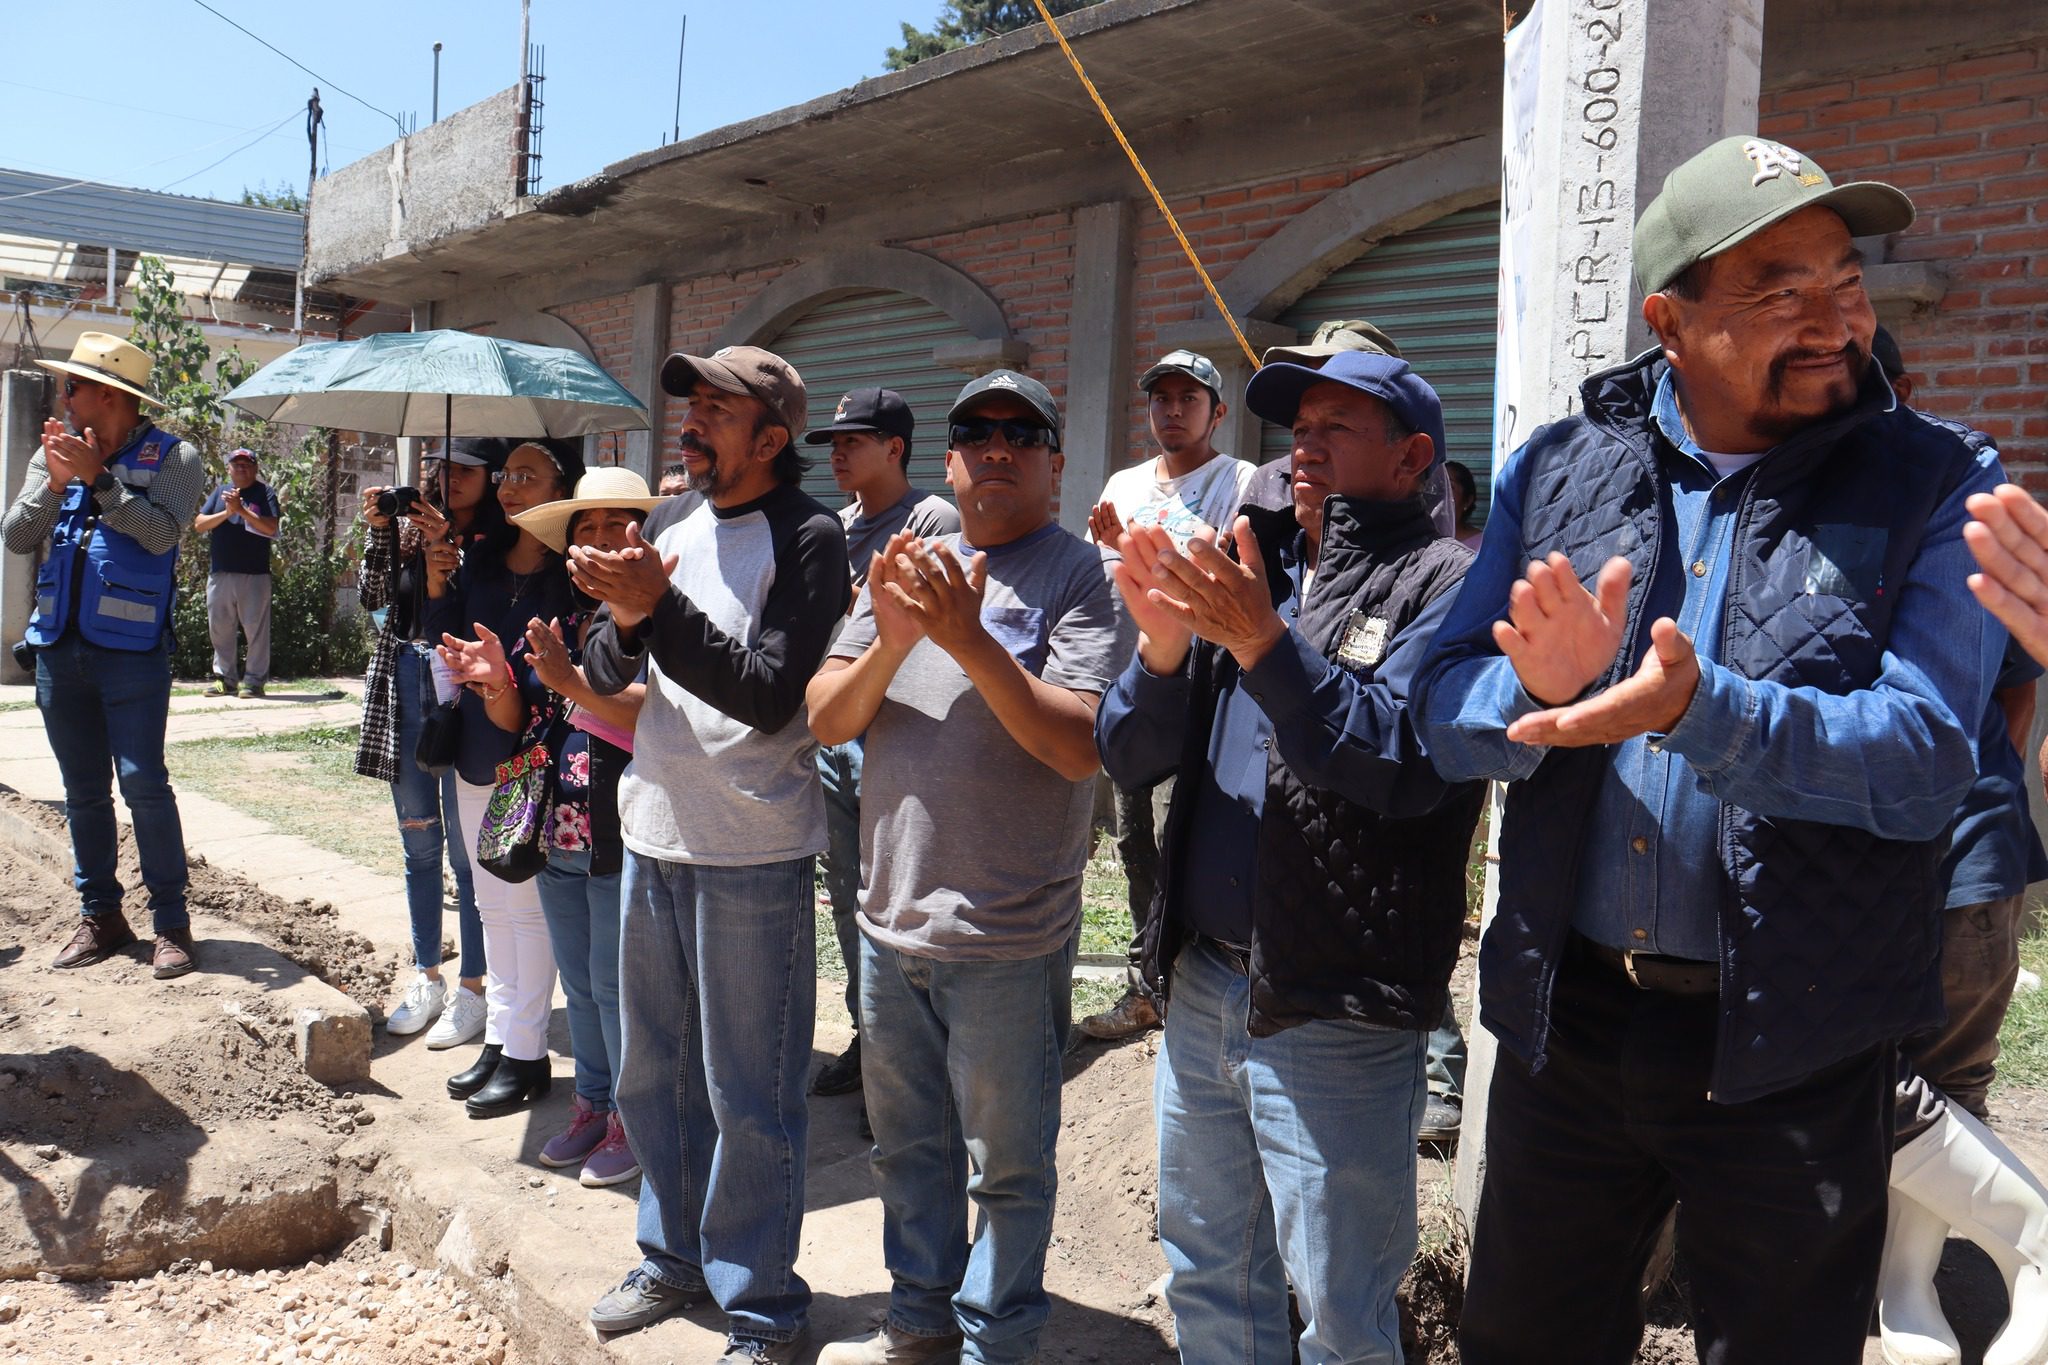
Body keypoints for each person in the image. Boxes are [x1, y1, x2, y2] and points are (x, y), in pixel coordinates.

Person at [1416, 136, 2001, 1364]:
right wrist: (1531, 689)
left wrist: (1694, 712)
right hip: (1564, 1027)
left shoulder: (1933, 480)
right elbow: (1436, 696)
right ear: (1667, 320)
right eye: (1776, 289)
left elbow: (1927, 753)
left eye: (1843, 280)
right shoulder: (1560, 468)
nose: (1831, 319)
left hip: (1796, 1036)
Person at [1098, 348, 1482, 1364]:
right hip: (1204, 977)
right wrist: (1161, 645)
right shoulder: (1244, 566)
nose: (1301, 448)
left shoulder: (1444, 586)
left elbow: (1403, 764)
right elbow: (1128, 758)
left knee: (1339, 1312)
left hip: (1333, 1006)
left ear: (1410, 461)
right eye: (1295, 428)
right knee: (1208, 1272)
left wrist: (1263, 643)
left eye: (1334, 429)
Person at [808, 371, 1131, 1365]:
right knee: (905, 1149)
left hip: (1005, 932)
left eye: (1020, 432)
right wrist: (897, 636)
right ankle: (917, 1323)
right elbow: (826, 715)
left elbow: (1079, 745)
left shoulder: (1084, 577)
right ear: (948, 459)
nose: (996, 446)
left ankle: (998, 1339)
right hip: (888, 922)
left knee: (1007, 1163)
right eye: (975, 432)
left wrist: (966, 642)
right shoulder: (909, 564)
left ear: (1052, 462)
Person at [573, 345, 849, 1364]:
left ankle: (765, 1308)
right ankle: (671, 1258)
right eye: (688, 406)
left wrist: (655, 607)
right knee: (654, 1078)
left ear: (770, 438)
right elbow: (617, 661)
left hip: (751, 852)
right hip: (654, 833)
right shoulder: (674, 523)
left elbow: (773, 691)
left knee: (751, 1094)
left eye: (713, 411)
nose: (688, 423)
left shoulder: (810, 537)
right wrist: (617, 609)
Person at [1869, 326, 2048, 1365]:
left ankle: (1914, 1283)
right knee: (1928, 1085)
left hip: (1957, 858)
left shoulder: (1952, 495)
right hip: (1874, 857)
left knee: (1918, 1078)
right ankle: (1905, 1290)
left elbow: (2018, 681)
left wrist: (1972, 790)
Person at [439, 466, 661, 1184]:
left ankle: (636, 1118)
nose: (597, 542)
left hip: (622, 833)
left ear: (641, 537)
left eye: (612, 527)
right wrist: (499, 683)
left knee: (618, 985)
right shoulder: (565, 623)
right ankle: (592, 1103)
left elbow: (659, 716)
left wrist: (567, 682)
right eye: (584, 530)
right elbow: (525, 719)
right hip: (556, 830)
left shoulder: (663, 623)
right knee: (582, 983)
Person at [3, 332, 208, 980]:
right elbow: (15, 535)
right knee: (83, 793)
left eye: (73, 386)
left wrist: (102, 485)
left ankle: (170, 924)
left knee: (144, 784)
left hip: (133, 655)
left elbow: (160, 537)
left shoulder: (177, 457)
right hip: (59, 652)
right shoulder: (56, 451)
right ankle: (101, 916)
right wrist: (54, 482)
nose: (63, 398)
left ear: (111, 396)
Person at [1079, 350, 1252, 1045]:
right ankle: (1150, 983)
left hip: (1202, 702)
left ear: (1218, 410)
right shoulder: (1122, 484)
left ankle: (1192, 992)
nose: (1173, 410)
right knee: (1136, 843)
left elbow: (1233, 578)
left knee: (1188, 841)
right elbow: (1112, 596)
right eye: (1162, 398)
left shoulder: (1237, 480)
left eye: (1189, 397)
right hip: (1136, 694)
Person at [802, 387, 960, 1106]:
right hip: (836, 734)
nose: (837, 453)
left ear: (896, 447)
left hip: (897, 738)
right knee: (848, 896)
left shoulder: (931, 518)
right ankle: (872, 1046)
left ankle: (908, 1073)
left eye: (853, 442)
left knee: (902, 899)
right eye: (833, 443)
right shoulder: (834, 527)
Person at [427, 437, 582, 1118]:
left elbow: (561, 677)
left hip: (529, 758)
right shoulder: (481, 558)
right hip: (473, 746)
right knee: (488, 905)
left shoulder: (572, 576)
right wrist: (437, 577)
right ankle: (498, 1039)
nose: (514, 486)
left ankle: (526, 1053)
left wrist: (503, 678)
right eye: (509, 475)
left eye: (531, 475)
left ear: (562, 489)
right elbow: (439, 632)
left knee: (524, 911)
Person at [356, 441, 502, 1046]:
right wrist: (384, 532)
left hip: (462, 694)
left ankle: (473, 988)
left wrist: (456, 558)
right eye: (444, 469)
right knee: (418, 842)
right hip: (405, 686)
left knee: (468, 857)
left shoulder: (497, 539)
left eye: (467, 470)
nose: (453, 479)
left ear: (489, 479)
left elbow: (484, 613)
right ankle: (428, 976)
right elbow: (372, 598)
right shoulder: (411, 534)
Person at [193, 447, 280, 698]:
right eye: (236, 464)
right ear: (228, 468)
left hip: (254, 574)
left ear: (255, 468)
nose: (241, 468)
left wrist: (242, 511)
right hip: (220, 572)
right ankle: (225, 679)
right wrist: (227, 512)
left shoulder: (265, 493)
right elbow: (199, 524)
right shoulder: (221, 493)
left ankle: (254, 681)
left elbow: (271, 527)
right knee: (220, 628)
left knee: (256, 630)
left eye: (247, 464)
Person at [1446, 460, 1483, 550]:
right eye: (1434, 487)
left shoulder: (1482, 545)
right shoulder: (1419, 539)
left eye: (1450, 487)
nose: (1441, 494)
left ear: (1467, 501)